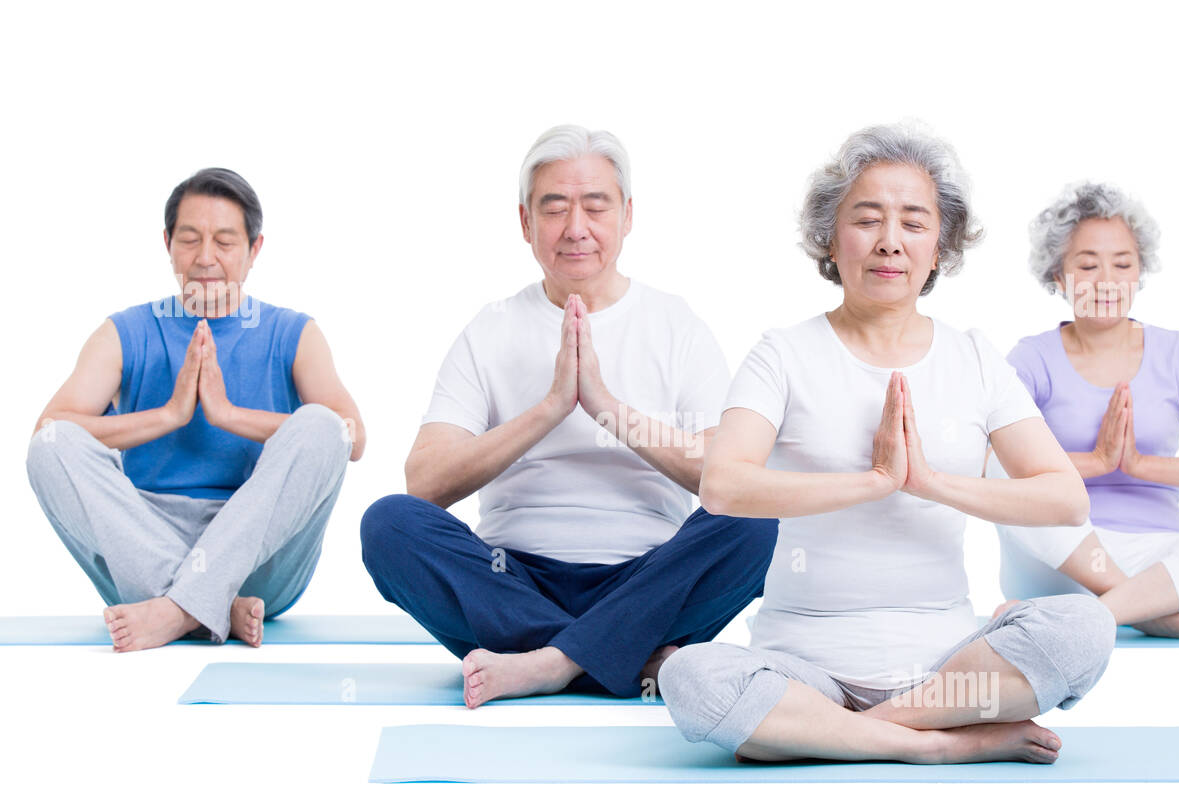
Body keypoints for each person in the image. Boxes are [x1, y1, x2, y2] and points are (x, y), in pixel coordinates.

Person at [657, 124, 1115, 765]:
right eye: (867, 219)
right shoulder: (783, 354)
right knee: (689, 677)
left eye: (914, 223)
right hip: (802, 669)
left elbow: (1064, 499)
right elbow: (723, 486)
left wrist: (928, 482)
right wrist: (871, 483)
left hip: (949, 674)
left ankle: (840, 734)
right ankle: (934, 747)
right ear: (831, 237)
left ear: (941, 246)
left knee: (1087, 627)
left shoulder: (975, 359)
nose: (889, 242)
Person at [360, 125, 777, 707]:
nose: (575, 228)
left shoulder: (676, 325)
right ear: (526, 223)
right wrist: (551, 408)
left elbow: (733, 478)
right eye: (554, 209)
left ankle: (546, 664)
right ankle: (623, 658)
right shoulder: (491, 329)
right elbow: (423, 483)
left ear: (627, 216)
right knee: (388, 525)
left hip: (649, 578)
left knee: (758, 521)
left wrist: (607, 409)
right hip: (510, 580)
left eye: (595, 207)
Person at [27, 168, 364, 652]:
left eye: (224, 242)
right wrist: (169, 415)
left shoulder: (294, 333)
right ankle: (207, 606)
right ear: (168, 244)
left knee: (324, 426)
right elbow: (50, 428)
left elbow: (353, 437)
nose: (205, 258)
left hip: (257, 562)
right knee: (49, 446)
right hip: (141, 544)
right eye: (189, 240)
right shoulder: (125, 332)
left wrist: (226, 413)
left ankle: (176, 607)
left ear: (254, 249)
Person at [987, 182, 1179, 641]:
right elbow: (994, 465)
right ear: (1058, 278)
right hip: (1061, 556)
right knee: (993, 466)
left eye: (1122, 264)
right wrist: (1096, 463)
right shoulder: (1030, 359)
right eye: (1087, 265)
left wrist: (1141, 466)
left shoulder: (1178, 353)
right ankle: (1151, 613)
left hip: (1158, 559)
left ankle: (1098, 610)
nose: (1106, 280)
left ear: (1140, 273)